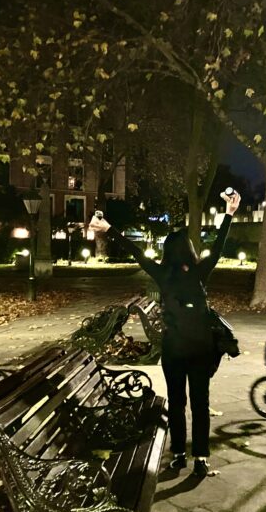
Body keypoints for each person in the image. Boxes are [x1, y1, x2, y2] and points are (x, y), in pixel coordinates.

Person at [88, 191, 241, 478]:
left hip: (174, 348)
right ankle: (201, 457)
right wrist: (229, 214)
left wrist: (109, 229)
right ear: (189, 250)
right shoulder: (199, 272)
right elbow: (218, 247)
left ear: (168, 252)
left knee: (177, 402)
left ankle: (179, 454)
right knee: (201, 403)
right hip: (200, 347)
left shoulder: (162, 274)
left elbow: (136, 252)